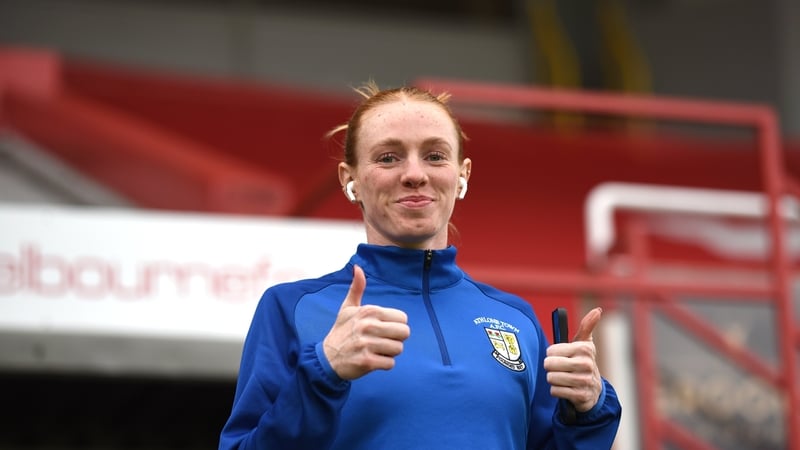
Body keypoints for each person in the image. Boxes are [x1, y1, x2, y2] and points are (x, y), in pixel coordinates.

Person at [218, 80, 622, 449]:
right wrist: (323, 372)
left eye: (434, 156)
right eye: (389, 157)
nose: (415, 174)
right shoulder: (292, 309)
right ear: (349, 179)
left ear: (461, 175)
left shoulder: (515, 318)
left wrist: (587, 411)